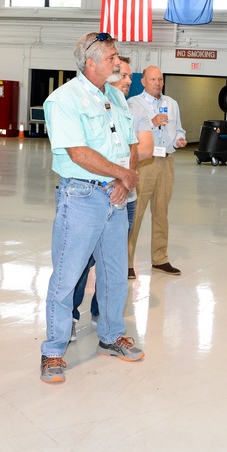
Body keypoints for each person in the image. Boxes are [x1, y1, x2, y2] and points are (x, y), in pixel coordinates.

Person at [40, 32, 144, 384]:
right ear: (91, 62)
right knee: (67, 276)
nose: (118, 62)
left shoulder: (115, 94)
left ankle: (112, 335)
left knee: (115, 274)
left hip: (116, 196)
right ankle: (53, 351)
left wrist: (123, 180)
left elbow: (128, 142)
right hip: (82, 197)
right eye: (112, 57)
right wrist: (122, 175)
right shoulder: (63, 100)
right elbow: (78, 153)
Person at [70, 56, 152, 339]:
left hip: (124, 198)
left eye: (130, 76)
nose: (130, 80)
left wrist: (125, 182)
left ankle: (103, 314)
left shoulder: (127, 108)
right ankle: (69, 315)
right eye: (125, 75)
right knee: (81, 262)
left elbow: (139, 149)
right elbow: (88, 153)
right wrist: (118, 175)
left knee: (113, 263)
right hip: (95, 194)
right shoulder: (85, 104)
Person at [127, 65, 186, 277]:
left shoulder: (171, 103)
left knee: (162, 212)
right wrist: (151, 123)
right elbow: (129, 134)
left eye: (160, 79)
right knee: (136, 212)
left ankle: (160, 258)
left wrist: (179, 139)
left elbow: (179, 127)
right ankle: (127, 261)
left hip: (166, 161)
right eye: (153, 79)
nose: (157, 83)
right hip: (145, 162)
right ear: (143, 81)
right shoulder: (133, 104)